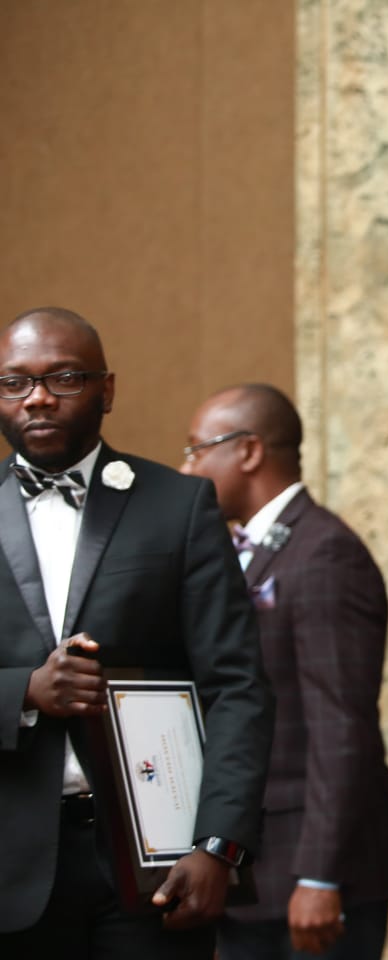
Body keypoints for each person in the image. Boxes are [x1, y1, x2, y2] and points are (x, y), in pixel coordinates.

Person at [0, 308, 273, 958]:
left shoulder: (178, 506)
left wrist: (219, 845)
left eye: (64, 376)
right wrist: (25, 693)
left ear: (107, 389)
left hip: (150, 866)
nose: (38, 396)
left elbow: (237, 687)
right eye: (15, 382)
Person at [180, 383, 388, 959]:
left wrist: (319, 877)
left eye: (196, 449)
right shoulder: (247, 549)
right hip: (259, 867)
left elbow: (342, 727)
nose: (185, 466)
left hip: (315, 871)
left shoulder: (323, 553)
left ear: (248, 451)